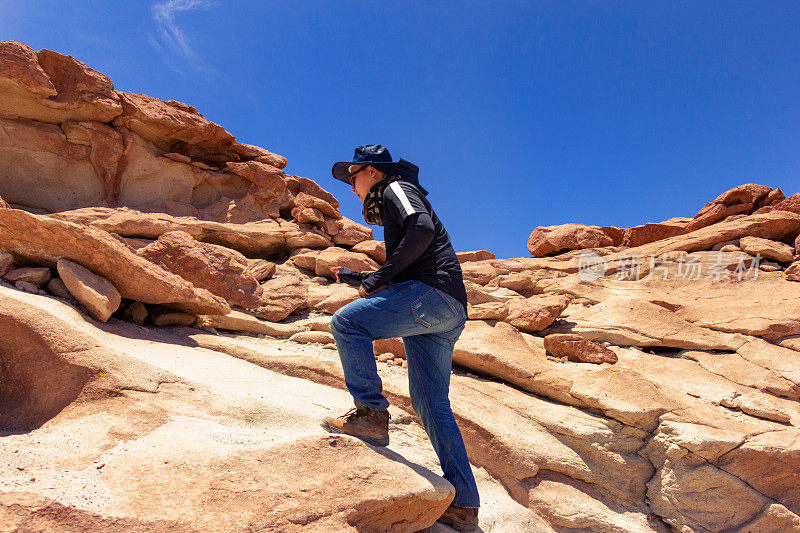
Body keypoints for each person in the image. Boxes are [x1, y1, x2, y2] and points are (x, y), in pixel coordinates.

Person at [319, 144, 480, 531]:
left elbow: (421, 229)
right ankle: (463, 503)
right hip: (448, 310)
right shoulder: (396, 195)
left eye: (353, 177)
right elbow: (414, 256)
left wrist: (378, 279)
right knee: (431, 403)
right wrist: (365, 278)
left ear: (372, 171)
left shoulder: (397, 188)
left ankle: (371, 414)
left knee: (347, 324)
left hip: (432, 297)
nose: (351, 188)